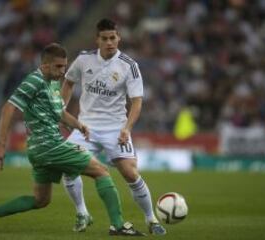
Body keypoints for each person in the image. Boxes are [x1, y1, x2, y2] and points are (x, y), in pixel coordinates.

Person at [0, 43, 144, 236]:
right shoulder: (34, 81)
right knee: (101, 171)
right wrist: (1, 145)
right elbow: (8, 108)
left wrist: (79, 125)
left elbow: (59, 113)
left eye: (65, 66)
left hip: (39, 151)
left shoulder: (53, 83)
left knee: (41, 200)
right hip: (49, 146)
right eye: (59, 67)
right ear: (45, 66)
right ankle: (118, 225)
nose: (63, 72)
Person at [62, 18, 166, 235]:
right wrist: (61, 108)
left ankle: (152, 219)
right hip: (86, 127)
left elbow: (136, 101)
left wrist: (127, 128)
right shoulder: (83, 59)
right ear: (97, 40)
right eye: (105, 38)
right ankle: (82, 213)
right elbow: (68, 81)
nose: (110, 42)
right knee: (67, 166)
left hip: (116, 128)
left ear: (119, 37)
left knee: (130, 172)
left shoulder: (129, 66)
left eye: (113, 38)